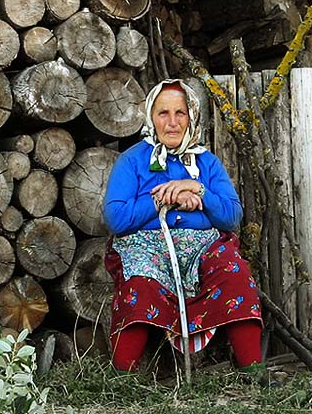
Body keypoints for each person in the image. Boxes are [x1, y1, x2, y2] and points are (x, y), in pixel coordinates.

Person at [103, 79, 264, 375]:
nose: (173, 122)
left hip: (202, 247)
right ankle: (121, 380)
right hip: (147, 246)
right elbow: (116, 218)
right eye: (163, 113)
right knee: (140, 285)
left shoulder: (207, 163)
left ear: (191, 116)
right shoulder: (132, 161)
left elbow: (231, 216)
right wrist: (163, 199)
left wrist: (199, 192)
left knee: (235, 275)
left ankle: (255, 375)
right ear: (151, 117)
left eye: (181, 113)